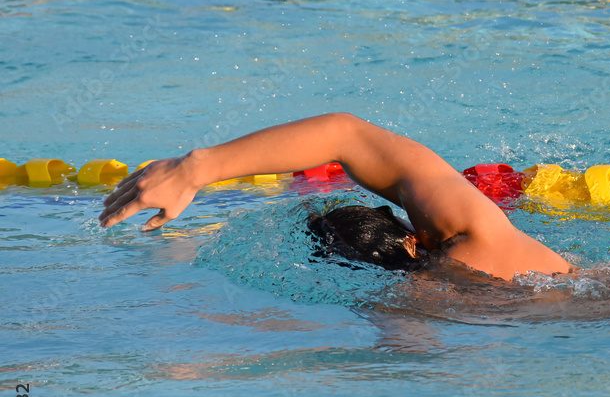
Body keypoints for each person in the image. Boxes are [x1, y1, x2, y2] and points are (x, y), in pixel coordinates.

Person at [99, 112, 571, 281]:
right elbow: (345, 134)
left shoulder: (417, 299)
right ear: (410, 238)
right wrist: (197, 168)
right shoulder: (467, 231)